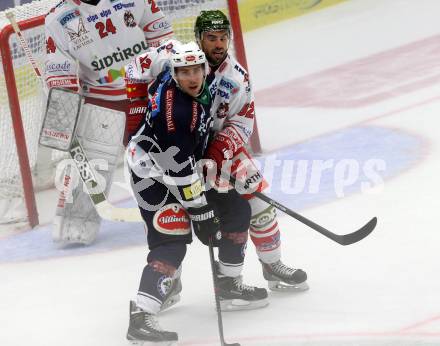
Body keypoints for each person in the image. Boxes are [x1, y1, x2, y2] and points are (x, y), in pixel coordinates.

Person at [124, 41, 268, 344]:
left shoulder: (192, 79)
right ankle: (141, 315)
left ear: (205, 68)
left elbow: (136, 66)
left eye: (195, 70)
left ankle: (228, 285)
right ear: (174, 75)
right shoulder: (177, 113)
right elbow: (177, 170)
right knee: (172, 239)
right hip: (151, 175)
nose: (191, 77)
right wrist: (201, 211)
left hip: (184, 164)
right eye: (184, 72)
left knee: (236, 211)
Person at [194, 10, 309, 292]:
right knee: (184, 225)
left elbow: (243, 122)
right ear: (199, 39)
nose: (219, 44)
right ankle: (173, 282)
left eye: (223, 38)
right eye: (211, 38)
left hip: (225, 153)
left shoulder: (236, 77)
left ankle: (272, 264)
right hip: (186, 156)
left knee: (261, 207)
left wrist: (221, 148)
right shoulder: (182, 65)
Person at [44, 0, 174, 245]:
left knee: (162, 156)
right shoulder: (58, 18)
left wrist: (166, 87)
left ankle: (174, 209)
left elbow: (163, 38)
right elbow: (60, 75)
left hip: (145, 93)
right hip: (102, 101)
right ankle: (76, 225)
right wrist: (63, 119)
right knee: (93, 167)